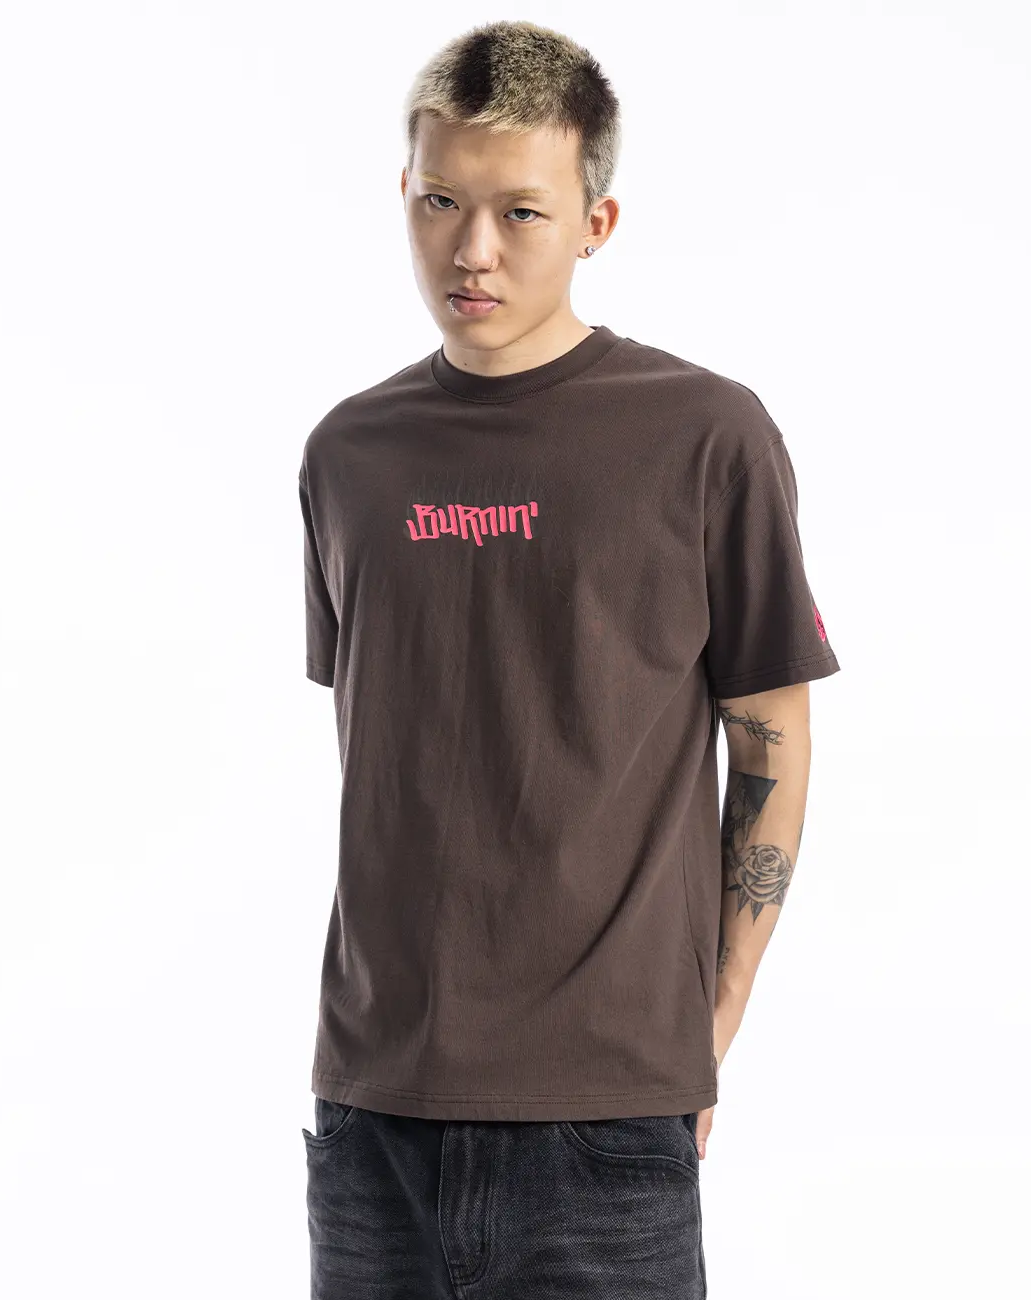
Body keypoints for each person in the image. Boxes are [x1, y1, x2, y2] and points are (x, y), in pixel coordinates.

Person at [296, 18, 840, 1298]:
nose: (471, 250)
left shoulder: (705, 438)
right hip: (372, 1117)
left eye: (520, 213)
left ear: (595, 224)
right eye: (441, 201)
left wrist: (714, 1013)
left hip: (605, 1123)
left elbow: (770, 735)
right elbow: (390, 746)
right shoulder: (347, 456)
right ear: (404, 191)